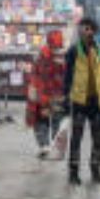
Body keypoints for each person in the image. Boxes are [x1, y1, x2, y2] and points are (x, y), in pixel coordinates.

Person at [62, 18, 100, 185]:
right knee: (76, 138)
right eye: (85, 29)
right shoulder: (73, 51)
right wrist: (65, 96)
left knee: (97, 139)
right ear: (80, 31)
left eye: (91, 29)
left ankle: (96, 170)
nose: (88, 32)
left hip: (96, 101)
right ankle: (73, 172)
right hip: (79, 101)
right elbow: (67, 76)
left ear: (95, 31)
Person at [27, 30, 67, 158]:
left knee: (49, 121)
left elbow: (35, 73)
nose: (57, 48)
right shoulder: (58, 57)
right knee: (48, 121)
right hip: (49, 94)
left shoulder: (43, 55)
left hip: (47, 94)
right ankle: (48, 147)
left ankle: (48, 146)